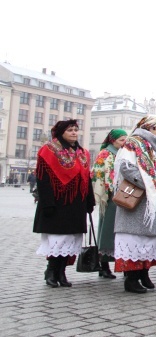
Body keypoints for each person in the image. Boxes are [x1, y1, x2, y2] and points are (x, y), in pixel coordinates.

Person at [113, 115, 156, 294]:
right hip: (139, 201)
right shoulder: (133, 143)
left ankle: (144, 273)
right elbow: (125, 167)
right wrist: (148, 183)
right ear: (148, 127)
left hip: (154, 201)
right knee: (136, 240)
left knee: (150, 241)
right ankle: (131, 278)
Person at [33, 119, 95, 287]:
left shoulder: (82, 153)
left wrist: (90, 200)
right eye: (70, 130)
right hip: (57, 203)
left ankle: (61, 272)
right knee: (58, 240)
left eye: (76, 130)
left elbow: (86, 179)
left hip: (76, 204)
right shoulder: (49, 150)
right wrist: (47, 203)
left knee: (70, 241)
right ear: (61, 133)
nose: (74, 133)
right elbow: (42, 178)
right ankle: (51, 271)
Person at [91, 129, 128, 279]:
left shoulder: (123, 153)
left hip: (123, 197)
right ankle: (103, 264)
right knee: (107, 231)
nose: (124, 143)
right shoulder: (105, 153)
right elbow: (98, 174)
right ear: (113, 141)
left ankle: (120, 263)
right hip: (110, 197)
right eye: (121, 140)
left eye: (126, 140)